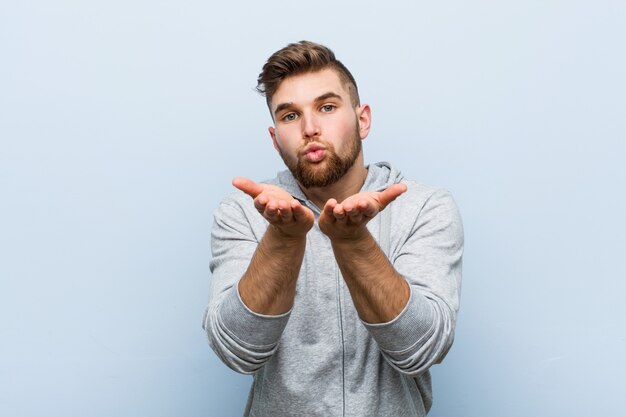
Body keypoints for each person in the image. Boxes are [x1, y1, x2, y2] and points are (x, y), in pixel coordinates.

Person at [203, 40, 464, 417]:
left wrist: (353, 241)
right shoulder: (245, 212)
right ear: (276, 140)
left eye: (327, 107)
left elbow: (421, 348)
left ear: (363, 119)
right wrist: (283, 238)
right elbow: (238, 351)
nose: (310, 128)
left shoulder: (425, 207)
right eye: (290, 115)